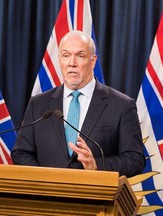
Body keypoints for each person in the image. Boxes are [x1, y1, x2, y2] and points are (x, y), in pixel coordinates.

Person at [11, 30, 145, 177]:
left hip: (95, 196)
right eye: (66, 55)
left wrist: (96, 165)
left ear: (93, 61)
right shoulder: (38, 104)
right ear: (60, 59)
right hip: (47, 196)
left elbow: (135, 159)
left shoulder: (121, 105)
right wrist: (44, 179)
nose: (72, 63)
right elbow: (21, 152)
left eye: (80, 56)